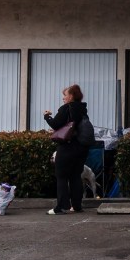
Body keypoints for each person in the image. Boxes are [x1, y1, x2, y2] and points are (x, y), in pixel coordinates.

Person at [44, 84, 88, 214]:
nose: (63, 98)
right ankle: (77, 206)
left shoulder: (66, 108)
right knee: (75, 176)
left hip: (67, 147)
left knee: (61, 176)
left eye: (65, 95)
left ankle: (61, 206)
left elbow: (56, 123)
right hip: (81, 148)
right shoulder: (82, 109)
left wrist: (47, 116)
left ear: (71, 96)